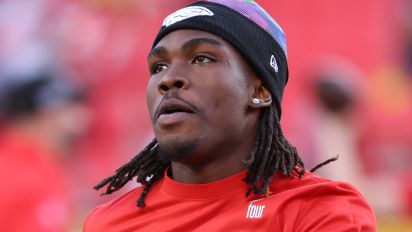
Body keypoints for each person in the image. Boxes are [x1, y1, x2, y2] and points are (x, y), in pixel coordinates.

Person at [84, 0, 376, 231]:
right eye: (158, 66)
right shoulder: (107, 223)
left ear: (260, 91)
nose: (168, 79)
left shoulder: (319, 213)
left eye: (202, 58)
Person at [0, 73, 90, 232]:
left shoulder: (42, 165)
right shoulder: (20, 172)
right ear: (26, 121)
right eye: (59, 114)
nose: (78, 122)